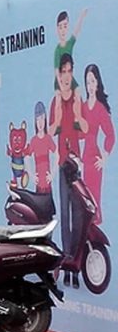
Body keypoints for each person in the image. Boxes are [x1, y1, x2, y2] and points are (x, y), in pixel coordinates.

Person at [49, 53, 88, 287]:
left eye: (69, 71)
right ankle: (66, 265)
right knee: (64, 216)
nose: (66, 75)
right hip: (63, 165)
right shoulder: (55, 101)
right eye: (62, 71)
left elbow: (85, 128)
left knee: (78, 217)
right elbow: (51, 129)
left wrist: (77, 112)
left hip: (76, 165)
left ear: (72, 73)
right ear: (58, 74)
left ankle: (75, 266)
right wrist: (58, 115)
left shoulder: (77, 99)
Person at [81, 64, 114, 224]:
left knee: (95, 199)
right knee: (85, 199)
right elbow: (79, 134)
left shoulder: (100, 108)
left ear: (98, 83)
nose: (90, 86)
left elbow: (111, 136)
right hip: (84, 160)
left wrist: (104, 158)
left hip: (94, 159)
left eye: (93, 81)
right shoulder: (82, 107)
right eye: (88, 82)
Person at [27, 102, 56, 193]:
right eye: (37, 119)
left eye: (42, 119)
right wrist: (32, 175)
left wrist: (52, 174)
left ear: (45, 120)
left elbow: (57, 154)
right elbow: (26, 157)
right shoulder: (33, 141)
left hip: (47, 183)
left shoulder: (48, 139)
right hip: (38, 184)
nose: (40, 123)